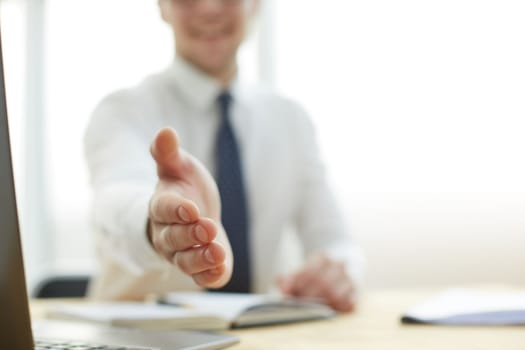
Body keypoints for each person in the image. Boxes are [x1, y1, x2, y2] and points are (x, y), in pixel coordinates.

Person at [84, 0, 363, 312]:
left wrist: (337, 272)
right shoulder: (123, 111)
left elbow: (335, 242)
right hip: (138, 337)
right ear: (162, 6)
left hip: (255, 338)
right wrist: (156, 222)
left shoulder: (291, 120)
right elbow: (114, 200)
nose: (209, 8)